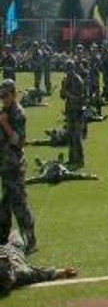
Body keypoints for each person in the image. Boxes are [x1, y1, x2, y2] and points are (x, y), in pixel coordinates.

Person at [0, 80, 35, 252]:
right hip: (4, 166)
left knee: (19, 204)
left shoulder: (18, 114)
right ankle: (2, 240)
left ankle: (30, 239)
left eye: (6, 96)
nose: (3, 99)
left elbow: (19, 141)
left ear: (14, 94)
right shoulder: (4, 112)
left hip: (14, 166)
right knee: (5, 205)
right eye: (1, 96)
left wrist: (5, 124)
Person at [0, 241, 77, 293]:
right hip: (12, 248)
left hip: (13, 246)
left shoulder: (20, 272)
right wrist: (62, 272)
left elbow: (40, 274)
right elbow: (40, 274)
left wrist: (63, 271)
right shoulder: (20, 273)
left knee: (17, 240)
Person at [60, 60, 86, 168]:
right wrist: (63, 88)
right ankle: (71, 159)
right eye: (67, 70)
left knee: (77, 137)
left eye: (69, 69)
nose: (68, 72)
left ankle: (80, 160)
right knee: (70, 136)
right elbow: (62, 96)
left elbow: (80, 99)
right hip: (70, 111)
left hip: (78, 111)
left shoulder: (78, 81)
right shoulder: (65, 80)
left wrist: (68, 94)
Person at [25, 158, 98, 185]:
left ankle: (40, 163)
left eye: (56, 168)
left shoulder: (47, 176)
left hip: (46, 166)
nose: (56, 167)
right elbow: (79, 176)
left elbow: (35, 179)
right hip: (61, 166)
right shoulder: (65, 174)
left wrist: (25, 181)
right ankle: (60, 160)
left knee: (45, 165)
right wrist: (91, 176)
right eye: (57, 168)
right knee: (65, 165)